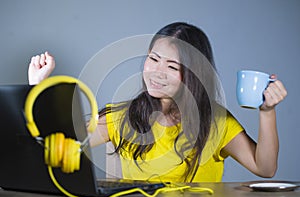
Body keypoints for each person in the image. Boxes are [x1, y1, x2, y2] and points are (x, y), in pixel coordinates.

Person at [28, 22, 287, 183]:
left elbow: (264, 168)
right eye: (153, 59)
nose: (156, 72)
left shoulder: (217, 121)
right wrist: (36, 88)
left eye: (172, 66)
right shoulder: (122, 117)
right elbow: (57, 143)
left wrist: (267, 112)